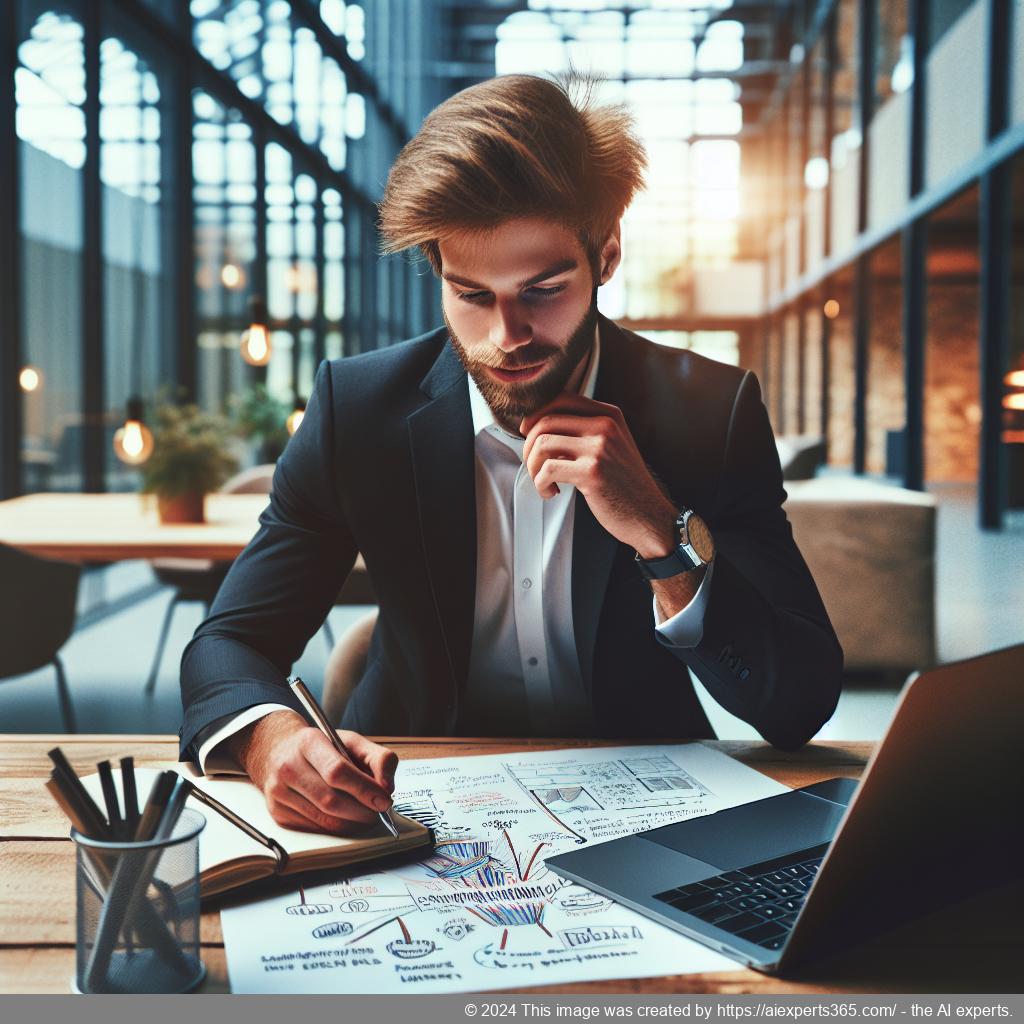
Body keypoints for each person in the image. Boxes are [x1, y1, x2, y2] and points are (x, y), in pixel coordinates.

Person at [179, 74, 843, 835]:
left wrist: (663, 536)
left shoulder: (711, 413)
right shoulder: (355, 410)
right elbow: (229, 642)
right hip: (406, 799)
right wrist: (271, 740)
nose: (507, 337)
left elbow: (798, 703)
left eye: (543, 290)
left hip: (650, 804)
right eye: (471, 295)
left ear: (608, 254)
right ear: (437, 270)